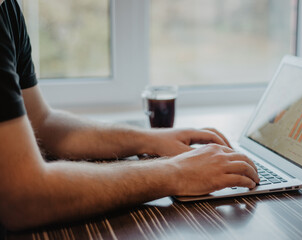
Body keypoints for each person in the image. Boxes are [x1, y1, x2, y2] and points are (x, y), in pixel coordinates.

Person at [0, 0, 259, 231]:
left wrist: (149, 139)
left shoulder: (8, 9)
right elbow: (23, 197)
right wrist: (176, 172)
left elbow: (42, 121)